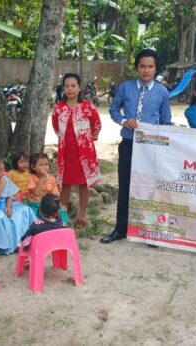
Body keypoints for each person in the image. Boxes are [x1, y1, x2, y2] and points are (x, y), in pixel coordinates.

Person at [102, 48, 172, 244]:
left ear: (156, 68)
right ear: (137, 68)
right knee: (125, 187)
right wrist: (124, 120)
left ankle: (149, 231)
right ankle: (120, 229)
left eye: (150, 66)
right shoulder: (125, 88)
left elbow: (166, 121)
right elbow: (114, 109)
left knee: (150, 188)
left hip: (151, 148)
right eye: (142, 66)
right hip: (129, 144)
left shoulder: (162, 92)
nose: (146, 70)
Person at [51, 73, 102, 228]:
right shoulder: (58, 108)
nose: (70, 89)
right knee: (64, 185)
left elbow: (97, 124)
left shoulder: (88, 107)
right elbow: (55, 127)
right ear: (63, 89)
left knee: (84, 184)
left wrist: (89, 140)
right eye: (67, 86)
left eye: (73, 86)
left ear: (79, 88)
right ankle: (62, 216)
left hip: (85, 154)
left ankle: (82, 215)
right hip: (66, 153)